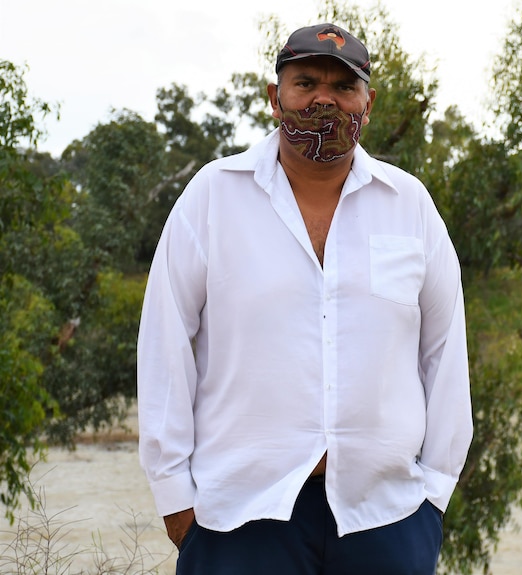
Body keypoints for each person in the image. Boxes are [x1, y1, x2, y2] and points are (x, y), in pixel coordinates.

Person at [136, 22, 473, 575]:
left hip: (386, 517)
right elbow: (164, 348)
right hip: (239, 518)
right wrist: (175, 498)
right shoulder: (212, 197)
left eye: (344, 87)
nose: (324, 99)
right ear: (275, 98)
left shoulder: (409, 205)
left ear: (368, 101)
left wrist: (432, 497)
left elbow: (445, 354)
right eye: (306, 82)